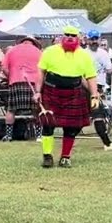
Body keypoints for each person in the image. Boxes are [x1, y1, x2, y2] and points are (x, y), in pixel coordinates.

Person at [35, 26, 99, 168]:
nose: (70, 37)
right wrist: (38, 91)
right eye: (67, 35)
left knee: (71, 127)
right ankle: (47, 156)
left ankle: (65, 157)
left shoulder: (84, 55)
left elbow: (91, 76)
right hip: (51, 90)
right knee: (48, 123)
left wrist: (94, 95)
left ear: (78, 38)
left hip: (74, 92)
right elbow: (41, 72)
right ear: (62, 36)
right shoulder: (50, 51)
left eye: (73, 35)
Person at [1, 36, 42, 142]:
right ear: (33, 43)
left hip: (15, 82)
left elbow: (4, 68)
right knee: (36, 110)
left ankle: (9, 136)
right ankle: (39, 136)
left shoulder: (11, 50)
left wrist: (11, 77)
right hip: (33, 83)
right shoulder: (38, 51)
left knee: (11, 110)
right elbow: (43, 70)